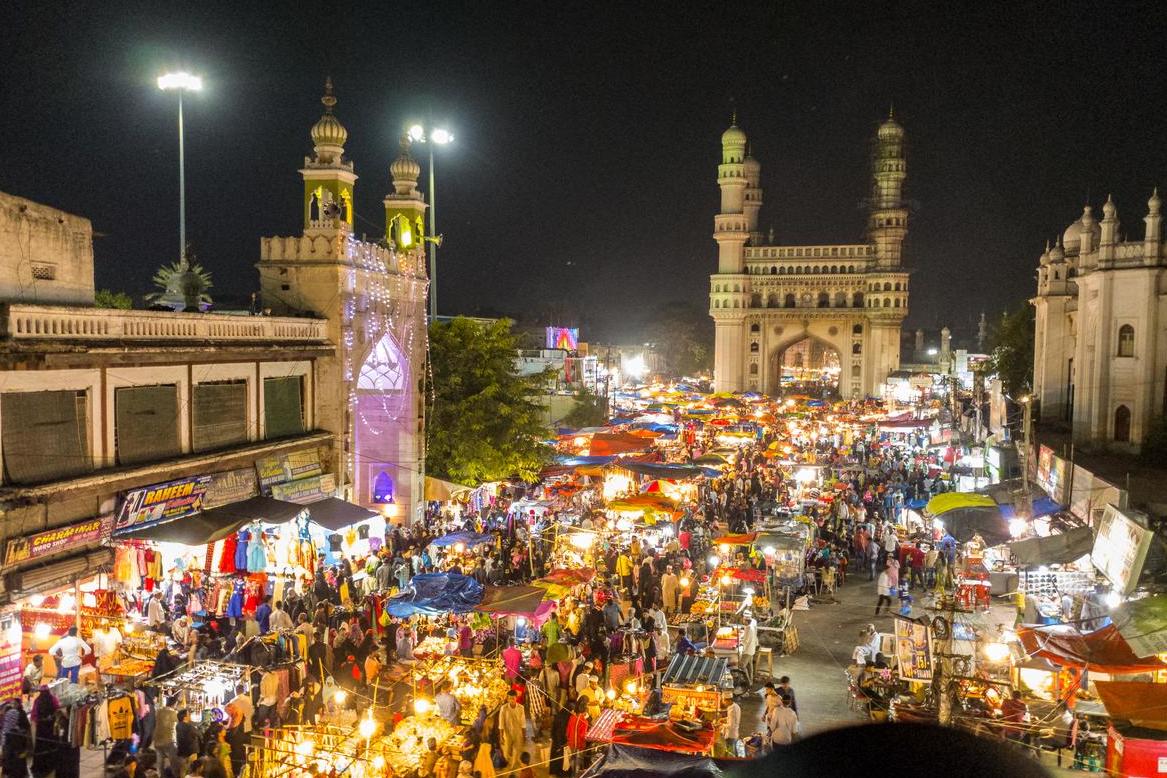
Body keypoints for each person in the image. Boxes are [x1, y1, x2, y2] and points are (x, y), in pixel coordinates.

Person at [498, 690, 527, 770]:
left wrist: (524, 736)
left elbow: (523, 723)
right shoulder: (503, 708)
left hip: (518, 733)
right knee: (506, 751)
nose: (512, 700)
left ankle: (512, 766)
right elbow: (501, 723)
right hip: (507, 734)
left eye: (513, 698)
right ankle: (508, 761)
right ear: (507, 699)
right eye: (510, 698)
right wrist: (501, 736)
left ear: (516, 698)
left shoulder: (521, 708)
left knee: (516, 750)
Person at [155, 696, 180, 778]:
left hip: (157, 741)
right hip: (169, 741)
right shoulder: (174, 713)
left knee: (160, 764)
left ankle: (160, 776)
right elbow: (178, 726)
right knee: (174, 763)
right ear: (175, 703)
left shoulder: (158, 711)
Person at [566, 699, 589, 777]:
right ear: (585, 711)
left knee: (572, 763)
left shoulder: (572, 717)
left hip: (571, 744)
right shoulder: (584, 721)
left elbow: (567, 731)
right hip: (579, 746)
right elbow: (583, 736)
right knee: (578, 765)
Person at [741, 613, 758, 685]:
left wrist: (740, 643)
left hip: (748, 650)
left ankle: (747, 682)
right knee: (750, 665)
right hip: (752, 648)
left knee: (742, 666)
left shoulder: (748, 628)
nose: (742, 621)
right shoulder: (751, 626)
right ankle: (751, 681)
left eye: (743, 620)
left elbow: (746, 641)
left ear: (746, 621)